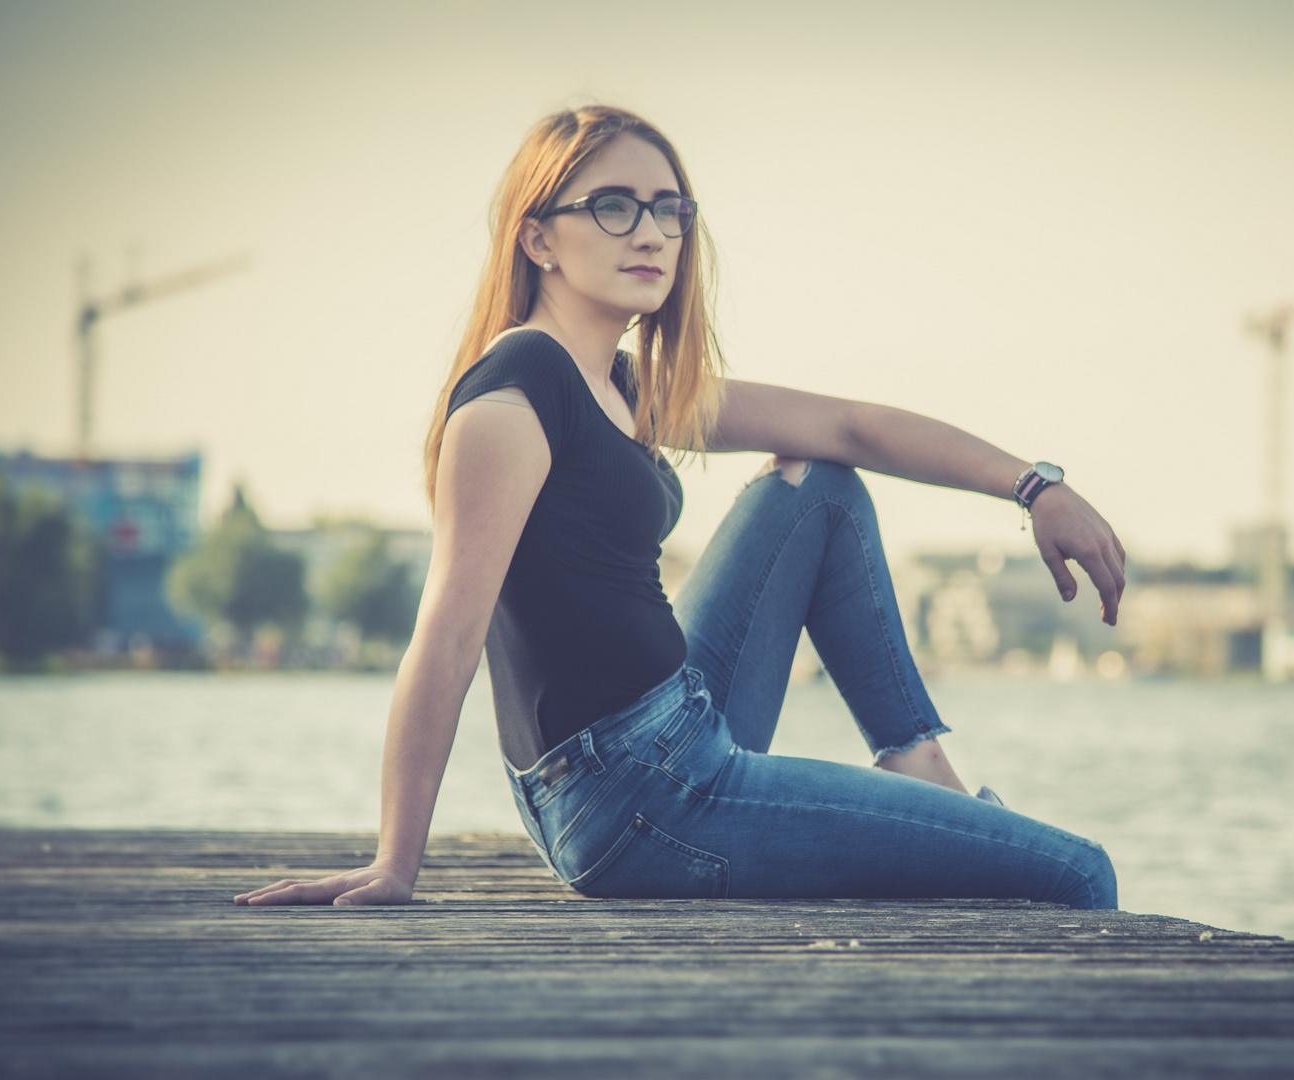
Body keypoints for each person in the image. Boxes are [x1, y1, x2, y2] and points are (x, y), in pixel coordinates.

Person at [235, 105, 1127, 912]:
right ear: (539, 239)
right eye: (614, 206)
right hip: (638, 799)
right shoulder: (514, 399)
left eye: (670, 209)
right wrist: (396, 862)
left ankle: (915, 761)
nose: (652, 232)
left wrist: (1034, 484)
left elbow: (850, 426)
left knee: (820, 485)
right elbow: (446, 636)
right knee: (1078, 874)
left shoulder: (619, 384)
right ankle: (936, 798)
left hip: (678, 729)